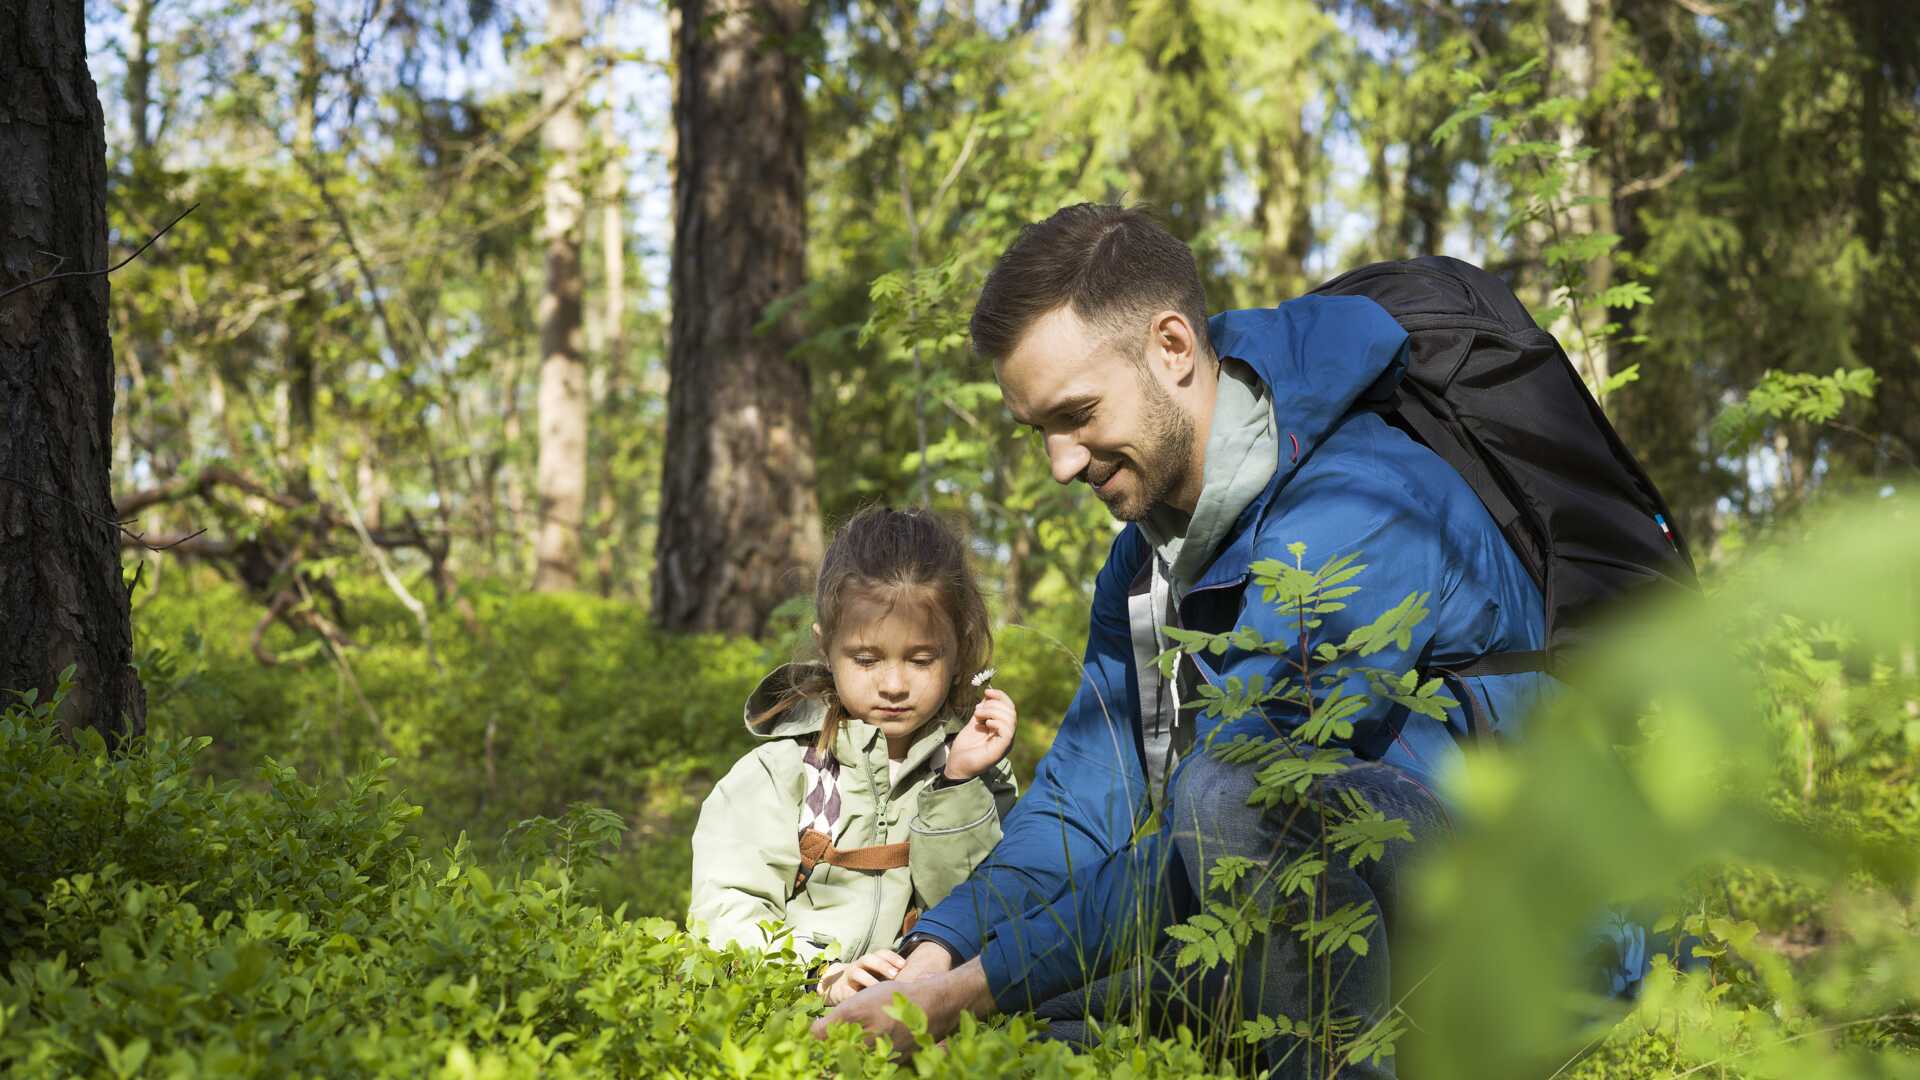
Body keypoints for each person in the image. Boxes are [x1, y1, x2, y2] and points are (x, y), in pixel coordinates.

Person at [813, 204, 1562, 1075]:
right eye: (1039, 432)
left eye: (1078, 414)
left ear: (1172, 347)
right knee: (1001, 1028)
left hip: (1518, 936)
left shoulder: (1364, 507)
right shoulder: (1144, 558)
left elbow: (1234, 811)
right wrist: (936, 957)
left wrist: (970, 988)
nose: (1060, 463)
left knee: (1234, 791)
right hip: (1292, 918)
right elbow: (1080, 804)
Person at [688, 506, 1020, 1005]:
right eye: (865, 659)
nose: (892, 685)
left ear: (958, 652)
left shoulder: (978, 771)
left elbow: (987, 908)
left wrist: (957, 784)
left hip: (931, 1007)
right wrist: (822, 976)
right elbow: (725, 907)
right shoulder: (782, 774)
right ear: (827, 647)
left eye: (921, 659)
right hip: (792, 1004)